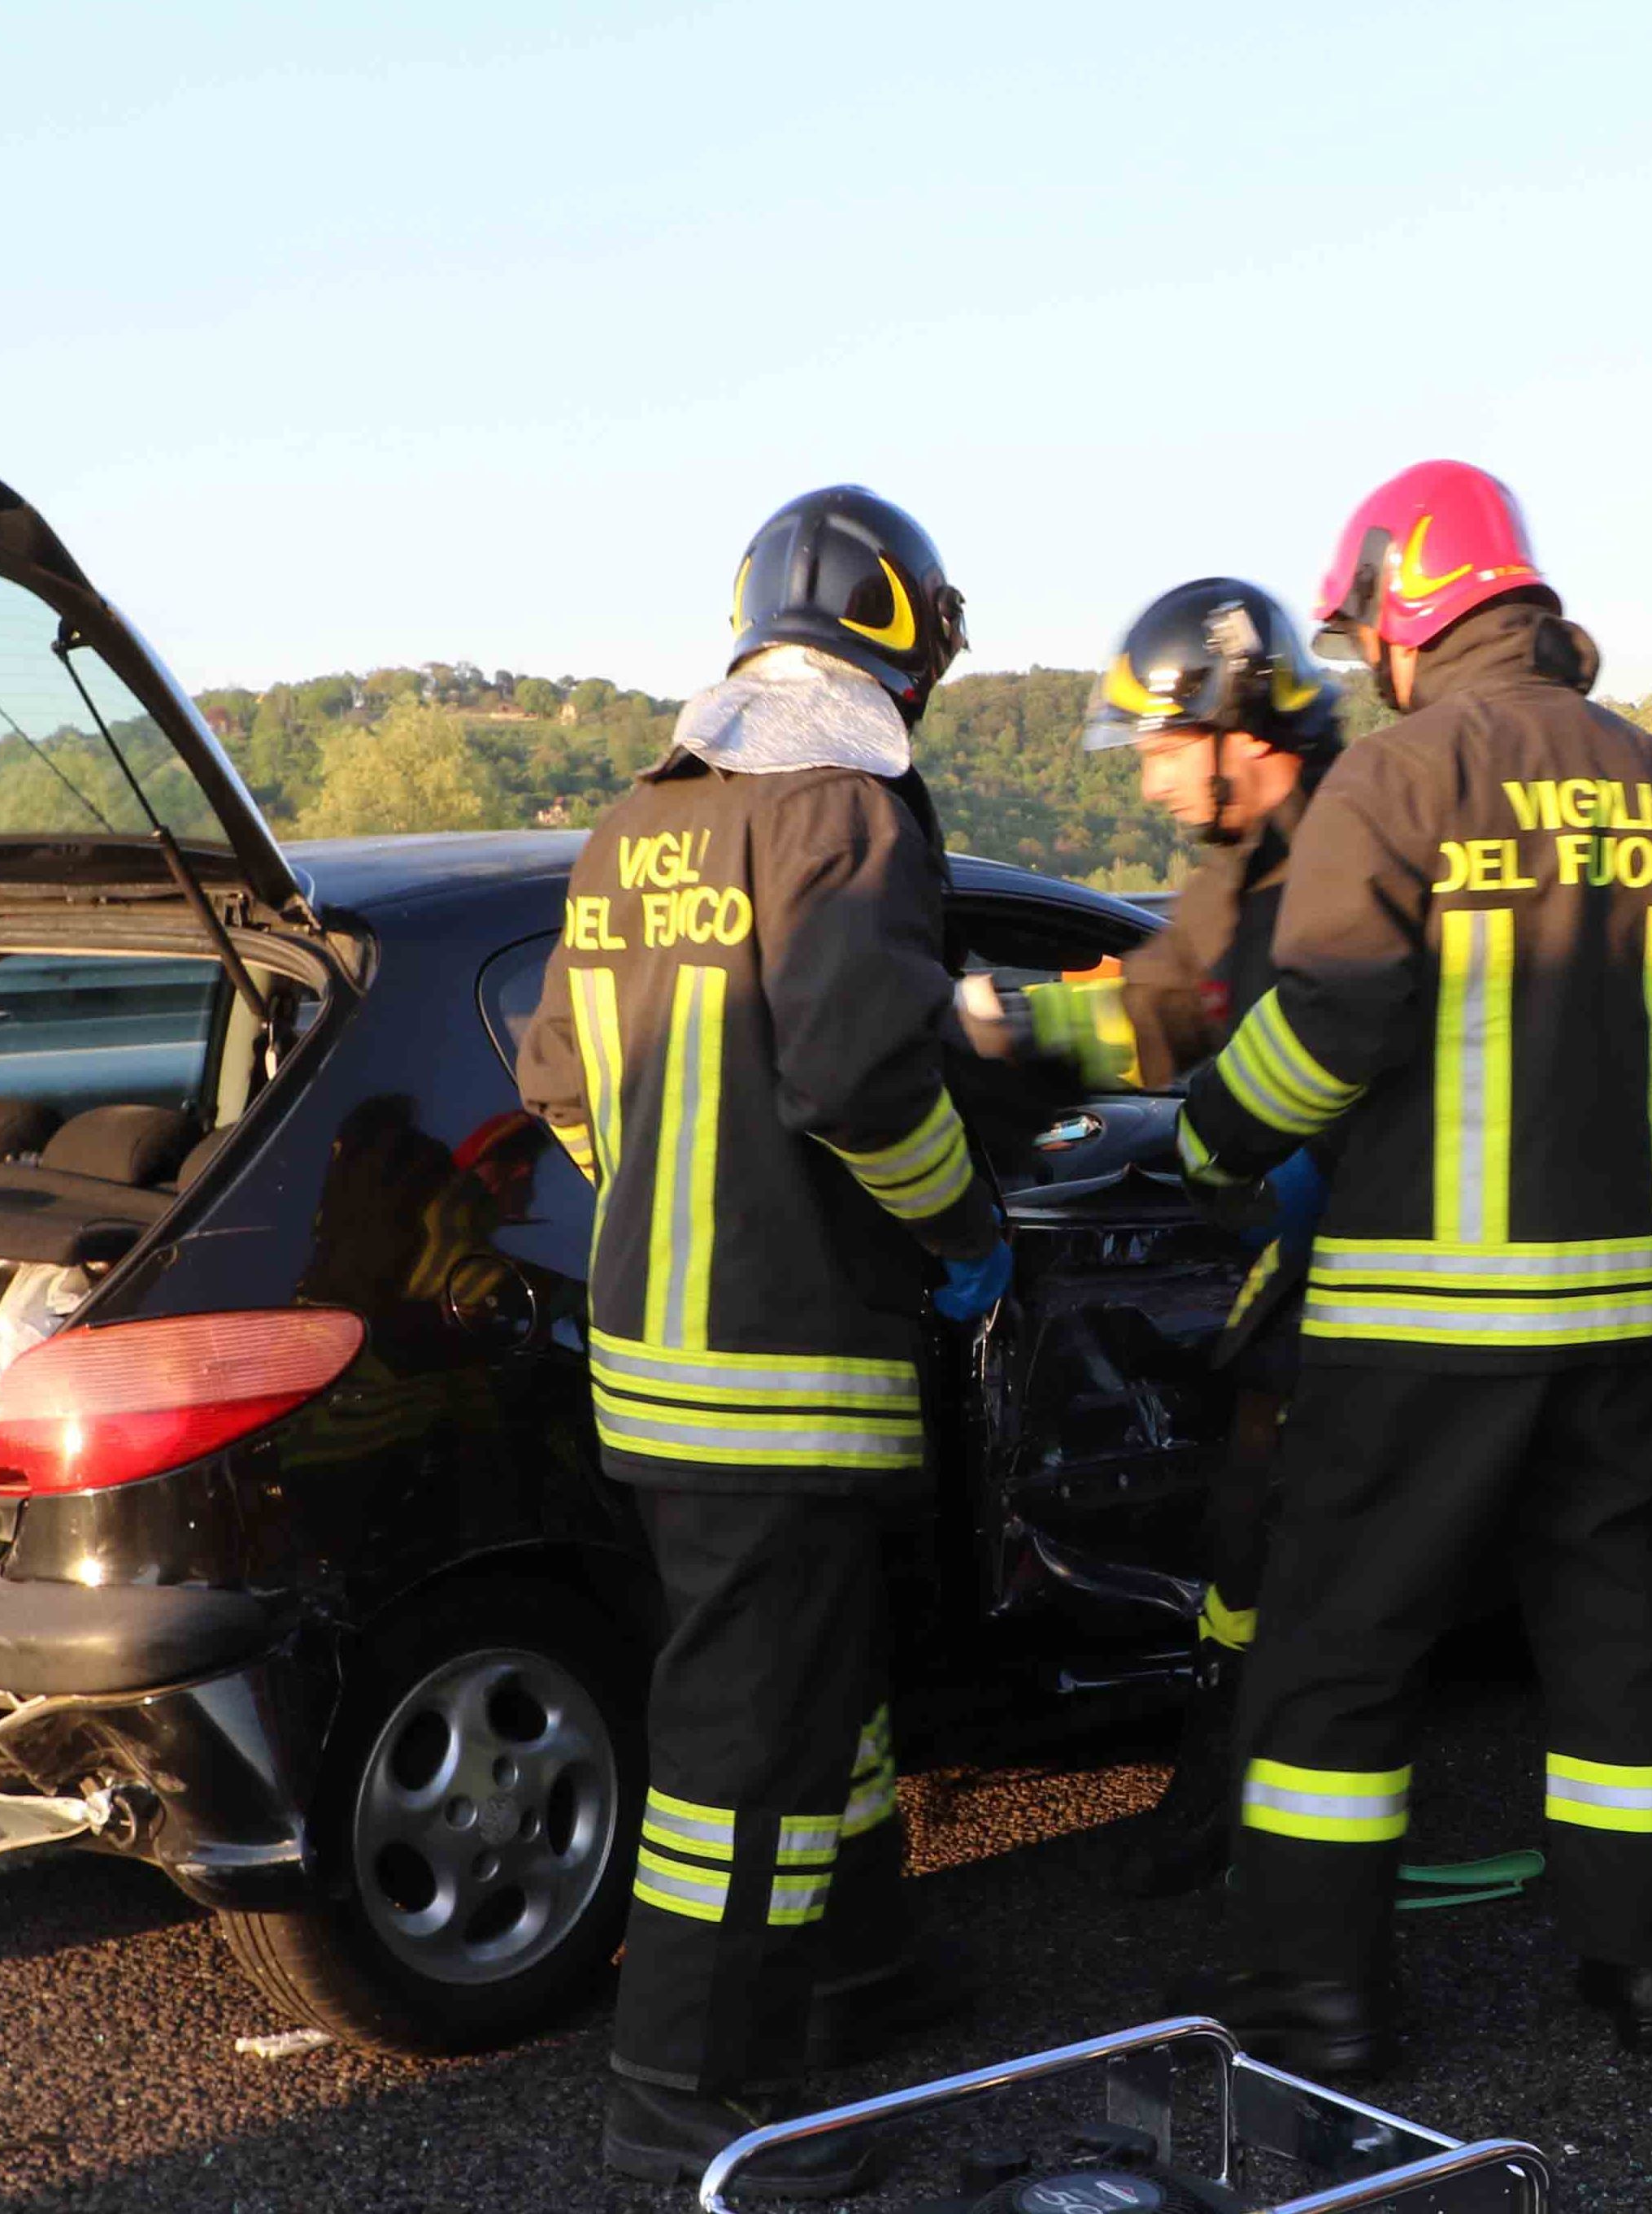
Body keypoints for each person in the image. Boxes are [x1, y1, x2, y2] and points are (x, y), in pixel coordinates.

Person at [1169, 459, 1652, 2077]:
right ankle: (1646, 1974)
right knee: (1622, 1649)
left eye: (1366, 617)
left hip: (1420, 1319)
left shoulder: (1397, 774)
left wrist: (1210, 1133)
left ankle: (1317, 2005)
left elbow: (1331, 1029)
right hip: (1636, 1313)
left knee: (1338, 1659)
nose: (1365, 649)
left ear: (1404, 600)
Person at [518, 484, 1011, 2194]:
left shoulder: (630, 824)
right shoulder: (848, 811)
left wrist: (676, 1203)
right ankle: (679, 2106)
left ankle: (846, 1979)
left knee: (818, 1710)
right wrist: (960, 1225)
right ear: (899, 630)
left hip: (651, 1367)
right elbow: (863, 1081)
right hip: (787, 1370)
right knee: (743, 1757)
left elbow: (565, 1089)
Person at [958, 576, 1349, 1897]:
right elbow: (1165, 1005)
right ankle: (1228, 1784)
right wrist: (1009, 1027)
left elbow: (1271, 1061)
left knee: (1346, 1562)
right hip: (1312, 1276)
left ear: (1244, 726)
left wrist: (1206, 1142)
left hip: (1401, 1274)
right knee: (1251, 1527)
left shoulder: (1357, 848)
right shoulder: (1250, 867)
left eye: (1166, 749)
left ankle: (1311, 1876)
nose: (1149, 784)